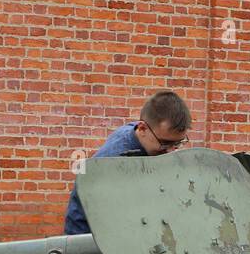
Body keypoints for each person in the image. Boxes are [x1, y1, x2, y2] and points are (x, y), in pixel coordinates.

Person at [63, 90, 191, 235]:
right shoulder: (114, 163)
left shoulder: (140, 131)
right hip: (88, 237)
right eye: (165, 143)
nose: (171, 151)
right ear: (142, 128)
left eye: (178, 143)